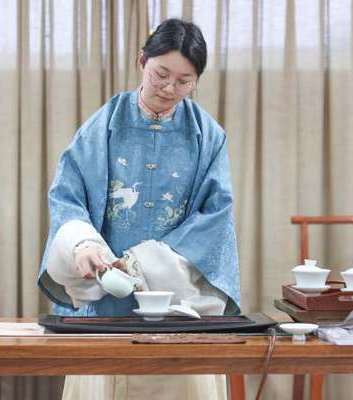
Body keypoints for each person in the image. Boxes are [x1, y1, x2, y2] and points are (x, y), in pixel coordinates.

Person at [38, 18, 241, 400]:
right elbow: (67, 196)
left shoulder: (208, 136)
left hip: (176, 299)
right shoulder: (103, 126)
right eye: (161, 74)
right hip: (107, 296)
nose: (169, 88)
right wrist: (83, 246)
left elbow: (215, 217)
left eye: (184, 81)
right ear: (141, 60)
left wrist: (144, 264)